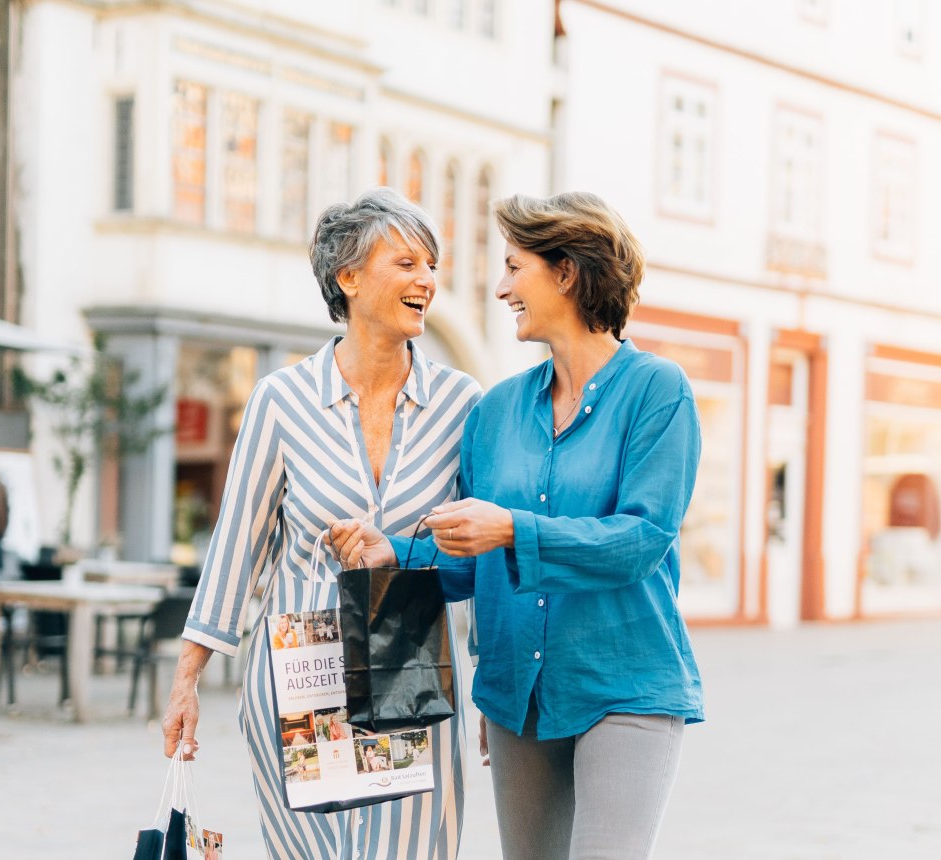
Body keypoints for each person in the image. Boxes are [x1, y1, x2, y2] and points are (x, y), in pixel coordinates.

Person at [332, 192, 704, 860]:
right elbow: (468, 564)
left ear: (566, 272)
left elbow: (642, 541)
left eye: (513, 267)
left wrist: (511, 529)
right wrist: (393, 553)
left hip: (623, 681)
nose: (502, 289)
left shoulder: (657, 391)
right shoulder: (495, 411)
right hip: (517, 695)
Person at [161, 188, 482, 859]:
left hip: (411, 667)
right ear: (349, 278)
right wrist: (186, 680)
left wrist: (494, 683)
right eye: (407, 263)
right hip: (298, 678)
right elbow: (234, 551)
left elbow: (477, 552)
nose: (427, 280)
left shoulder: (461, 405)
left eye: (432, 265)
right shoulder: (282, 400)